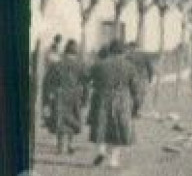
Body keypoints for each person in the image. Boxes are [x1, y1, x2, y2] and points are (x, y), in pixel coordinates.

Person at [88, 40, 145, 169]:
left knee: (101, 126)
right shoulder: (129, 66)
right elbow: (136, 88)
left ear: (110, 50)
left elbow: (88, 79)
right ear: (123, 52)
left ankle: (101, 151)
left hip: (101, 98)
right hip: (121, 99)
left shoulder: (99, 65)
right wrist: (137, 105)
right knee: (119, 129)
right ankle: (113, 160)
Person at [41, 40, 87, 156]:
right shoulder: (81, 65)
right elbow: (86, 83)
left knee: (60, 119)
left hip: (59, 94)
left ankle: (60, 146)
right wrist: (85, 98)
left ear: (65, 50)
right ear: (76, 52)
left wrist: (46, 99)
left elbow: (47, 82)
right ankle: (70, 145)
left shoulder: (56, 64)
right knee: (72, 119)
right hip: (74, 95)